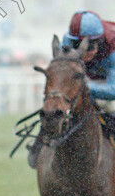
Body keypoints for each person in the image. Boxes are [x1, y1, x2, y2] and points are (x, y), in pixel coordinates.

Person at [28, 10, 115, 168]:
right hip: (83, 78)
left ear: (101, 41)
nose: (84, 50)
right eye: (78, 45)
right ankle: (41, 142)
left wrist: (84, 88)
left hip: (108, 83)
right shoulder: (66, 42)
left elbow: (113, 90)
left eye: (91, 46)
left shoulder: (113, 49)